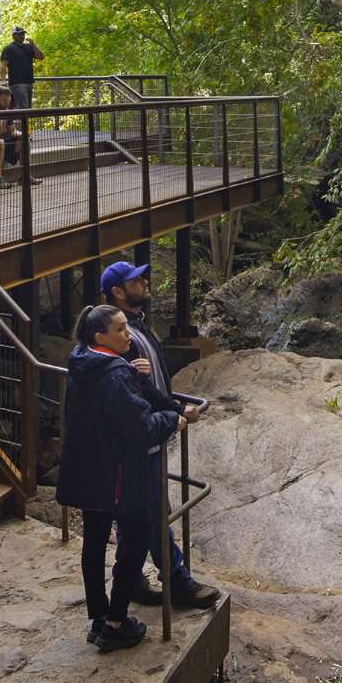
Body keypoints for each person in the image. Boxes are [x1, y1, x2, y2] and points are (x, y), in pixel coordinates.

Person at [56, 302, 186, 651]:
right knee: (137, 540)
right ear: (101, 336)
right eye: (121, 329)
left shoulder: (83, 359)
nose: (129, 334)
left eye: (127, 327)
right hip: (118, 473)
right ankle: (115, 622)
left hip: (89, 470)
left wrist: (135, 376)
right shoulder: (114, 374)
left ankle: (99, 618)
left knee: (95, 543)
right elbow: (143, 428)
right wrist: (173, 420)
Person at [97, 260, 220, 611]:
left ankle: (132, 579)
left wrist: (170, 409)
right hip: (140, 439)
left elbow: (149, 384)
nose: (145, 282)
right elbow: (141, 392)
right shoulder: (124, 337)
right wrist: (173, 414)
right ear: (118, 292)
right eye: (136, 280)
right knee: (152, 511)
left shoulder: (131, 327)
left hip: (139, 436)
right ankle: (177, 581)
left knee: (135, 513)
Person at [0, 25, 44, 109]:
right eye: (19, 34)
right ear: (14, 36)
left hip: (29, 82)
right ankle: (21, 122)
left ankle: (23, 122)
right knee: (23, 109)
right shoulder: (9, 49)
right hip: (17, 83)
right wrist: (3, 80)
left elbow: (40, 57)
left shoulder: (29, 47)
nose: (22, 36)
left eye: (23, 34)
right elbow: (3, 64)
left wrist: (33, 44)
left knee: (26, 108)